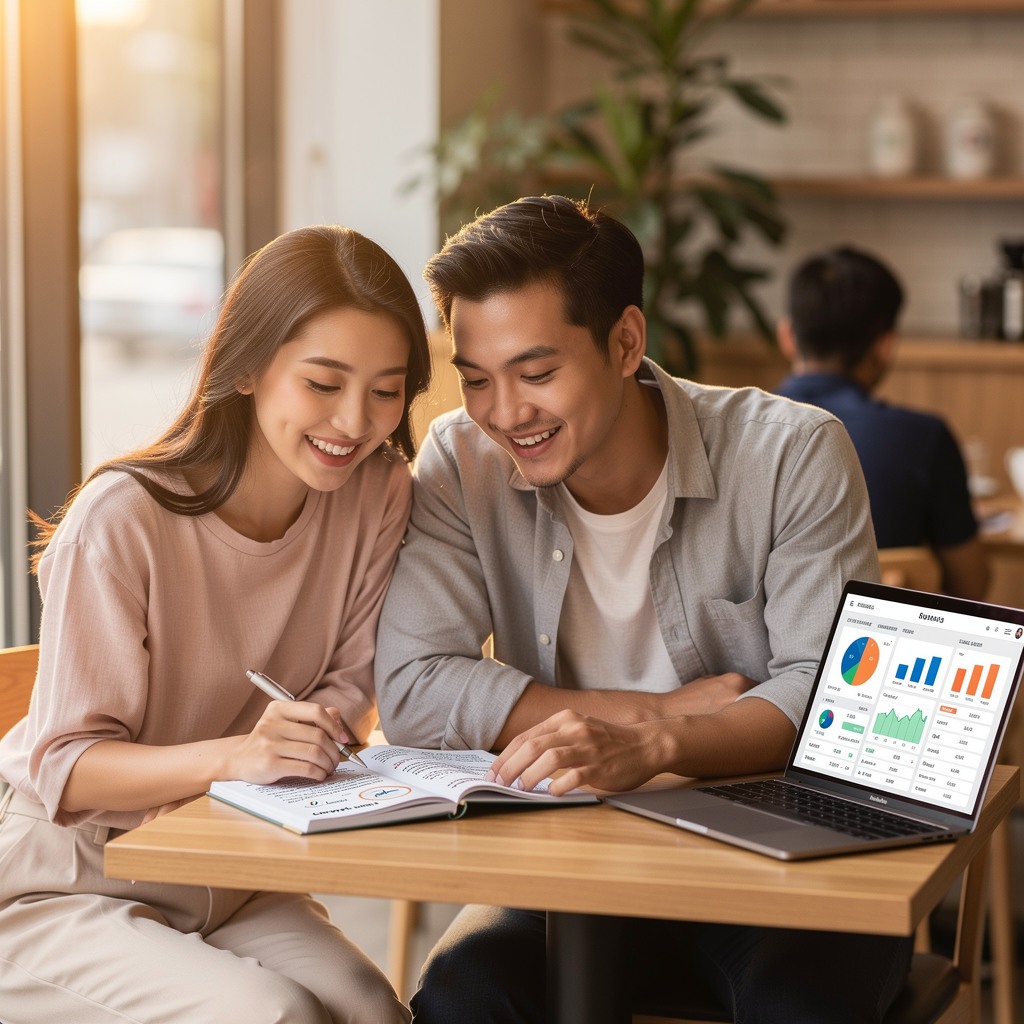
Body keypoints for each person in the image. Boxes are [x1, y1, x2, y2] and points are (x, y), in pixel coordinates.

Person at [374, 195, 911, 1024]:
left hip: (777, 858)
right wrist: (647, 714)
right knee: (463, 994)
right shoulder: (460, 458)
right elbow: (413, 688)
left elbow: (829, 691)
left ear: (626, 342)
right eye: (476, 379)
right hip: (572, 858)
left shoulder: (791, 453)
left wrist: (657, 744)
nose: (504, 413)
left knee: (798, 1007)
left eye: (537, 373)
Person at [0, 224, 432, 1024]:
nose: (354, 421)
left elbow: (348, 686)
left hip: (225, 861)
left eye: (385, 390)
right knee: (274, 1015)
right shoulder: (121, 520)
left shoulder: (378, 493)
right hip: (68, 880)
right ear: (247, 368)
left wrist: (279, 758)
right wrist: (236, 759)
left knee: (373, 1009)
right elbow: (64, 766)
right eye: (323, 383)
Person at [776, 245, 989, 601]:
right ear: (885, 345)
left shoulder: (734, 433)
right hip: (877, 635)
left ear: (787, 336)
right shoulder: (926, 439)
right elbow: (971, 586)